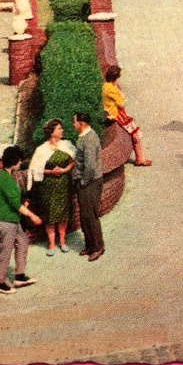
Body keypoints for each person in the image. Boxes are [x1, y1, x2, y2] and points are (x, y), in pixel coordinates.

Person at [0, 145, 43, 293]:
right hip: (6, 221)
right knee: (5, 252)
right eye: (20, 160)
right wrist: (32, 215)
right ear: (15, 161)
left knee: (22, 242)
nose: (21, 163)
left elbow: (14, 200)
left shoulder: (6, 175)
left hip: (12, 220)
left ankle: (19, 275)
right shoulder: (5, 179)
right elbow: (14, 203)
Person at [29, 118, 76, 255]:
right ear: (52, 132)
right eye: (59, 129)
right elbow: (34, 168)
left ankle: (62, 241)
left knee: (63, 213)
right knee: (50, 214)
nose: (62, 131)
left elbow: (74, 161)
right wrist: (50, 171)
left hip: (63, 184)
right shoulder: (41, 149)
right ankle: (51, 243)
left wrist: (65, 169)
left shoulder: (66, 145)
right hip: (48, 186)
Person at [102, 66, 153, 167]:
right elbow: (121, 103)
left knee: (134, 132)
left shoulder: (106, 86)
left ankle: (140, 158)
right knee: (136, 134)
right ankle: (140, 159)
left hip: (112, 113)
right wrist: (120, 93)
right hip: (116, 114)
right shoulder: (112, 89)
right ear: (115, 78)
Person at [71, 112, 105, 261]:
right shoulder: (85, 137)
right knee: (85, 216)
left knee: (90, 216)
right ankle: (90, 245)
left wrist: (83, 182)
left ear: (81, 123)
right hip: (86, 182)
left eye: (75, 122)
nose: (73, 124)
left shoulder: (89, 140)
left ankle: (97, 247)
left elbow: (90, 166)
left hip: (90, 182)